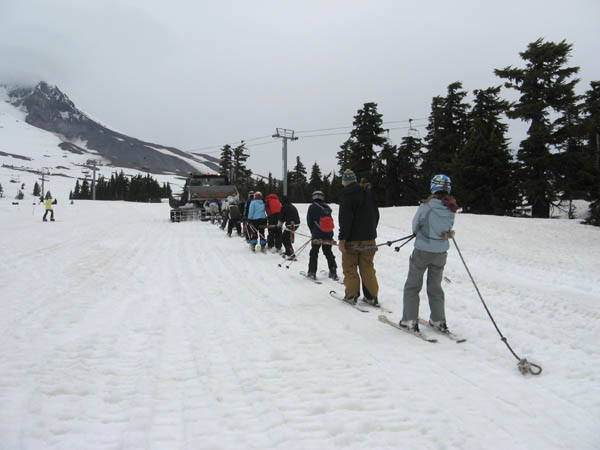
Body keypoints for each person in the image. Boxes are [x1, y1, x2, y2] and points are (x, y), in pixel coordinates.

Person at [399, 174, 458, 333]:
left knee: (412, 285)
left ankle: (410, 319)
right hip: (440, 252)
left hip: (423, 250)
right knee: (435, 286)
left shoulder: (426, 206)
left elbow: (415, 225)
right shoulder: (451, 208)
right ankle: (439, 319)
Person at [337, 169, 380, 305]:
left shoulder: (346, 196)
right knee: (367, 267)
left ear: (344, 182)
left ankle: (351, 295)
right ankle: (371, 296)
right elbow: (376, 215)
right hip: (369, 239)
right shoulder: (367, 194)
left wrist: (342, 239)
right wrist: (371, 231)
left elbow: (345, 219)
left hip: (352, 240)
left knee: (350, 268)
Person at [306, 190, 337, 280]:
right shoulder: (327, 207)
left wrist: (313, 232)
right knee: (328, 252)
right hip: (328, 233)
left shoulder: (312, 207)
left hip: (317, 233)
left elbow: (310, 222)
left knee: (314, 252)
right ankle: (333, 271)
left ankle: (312, 272)